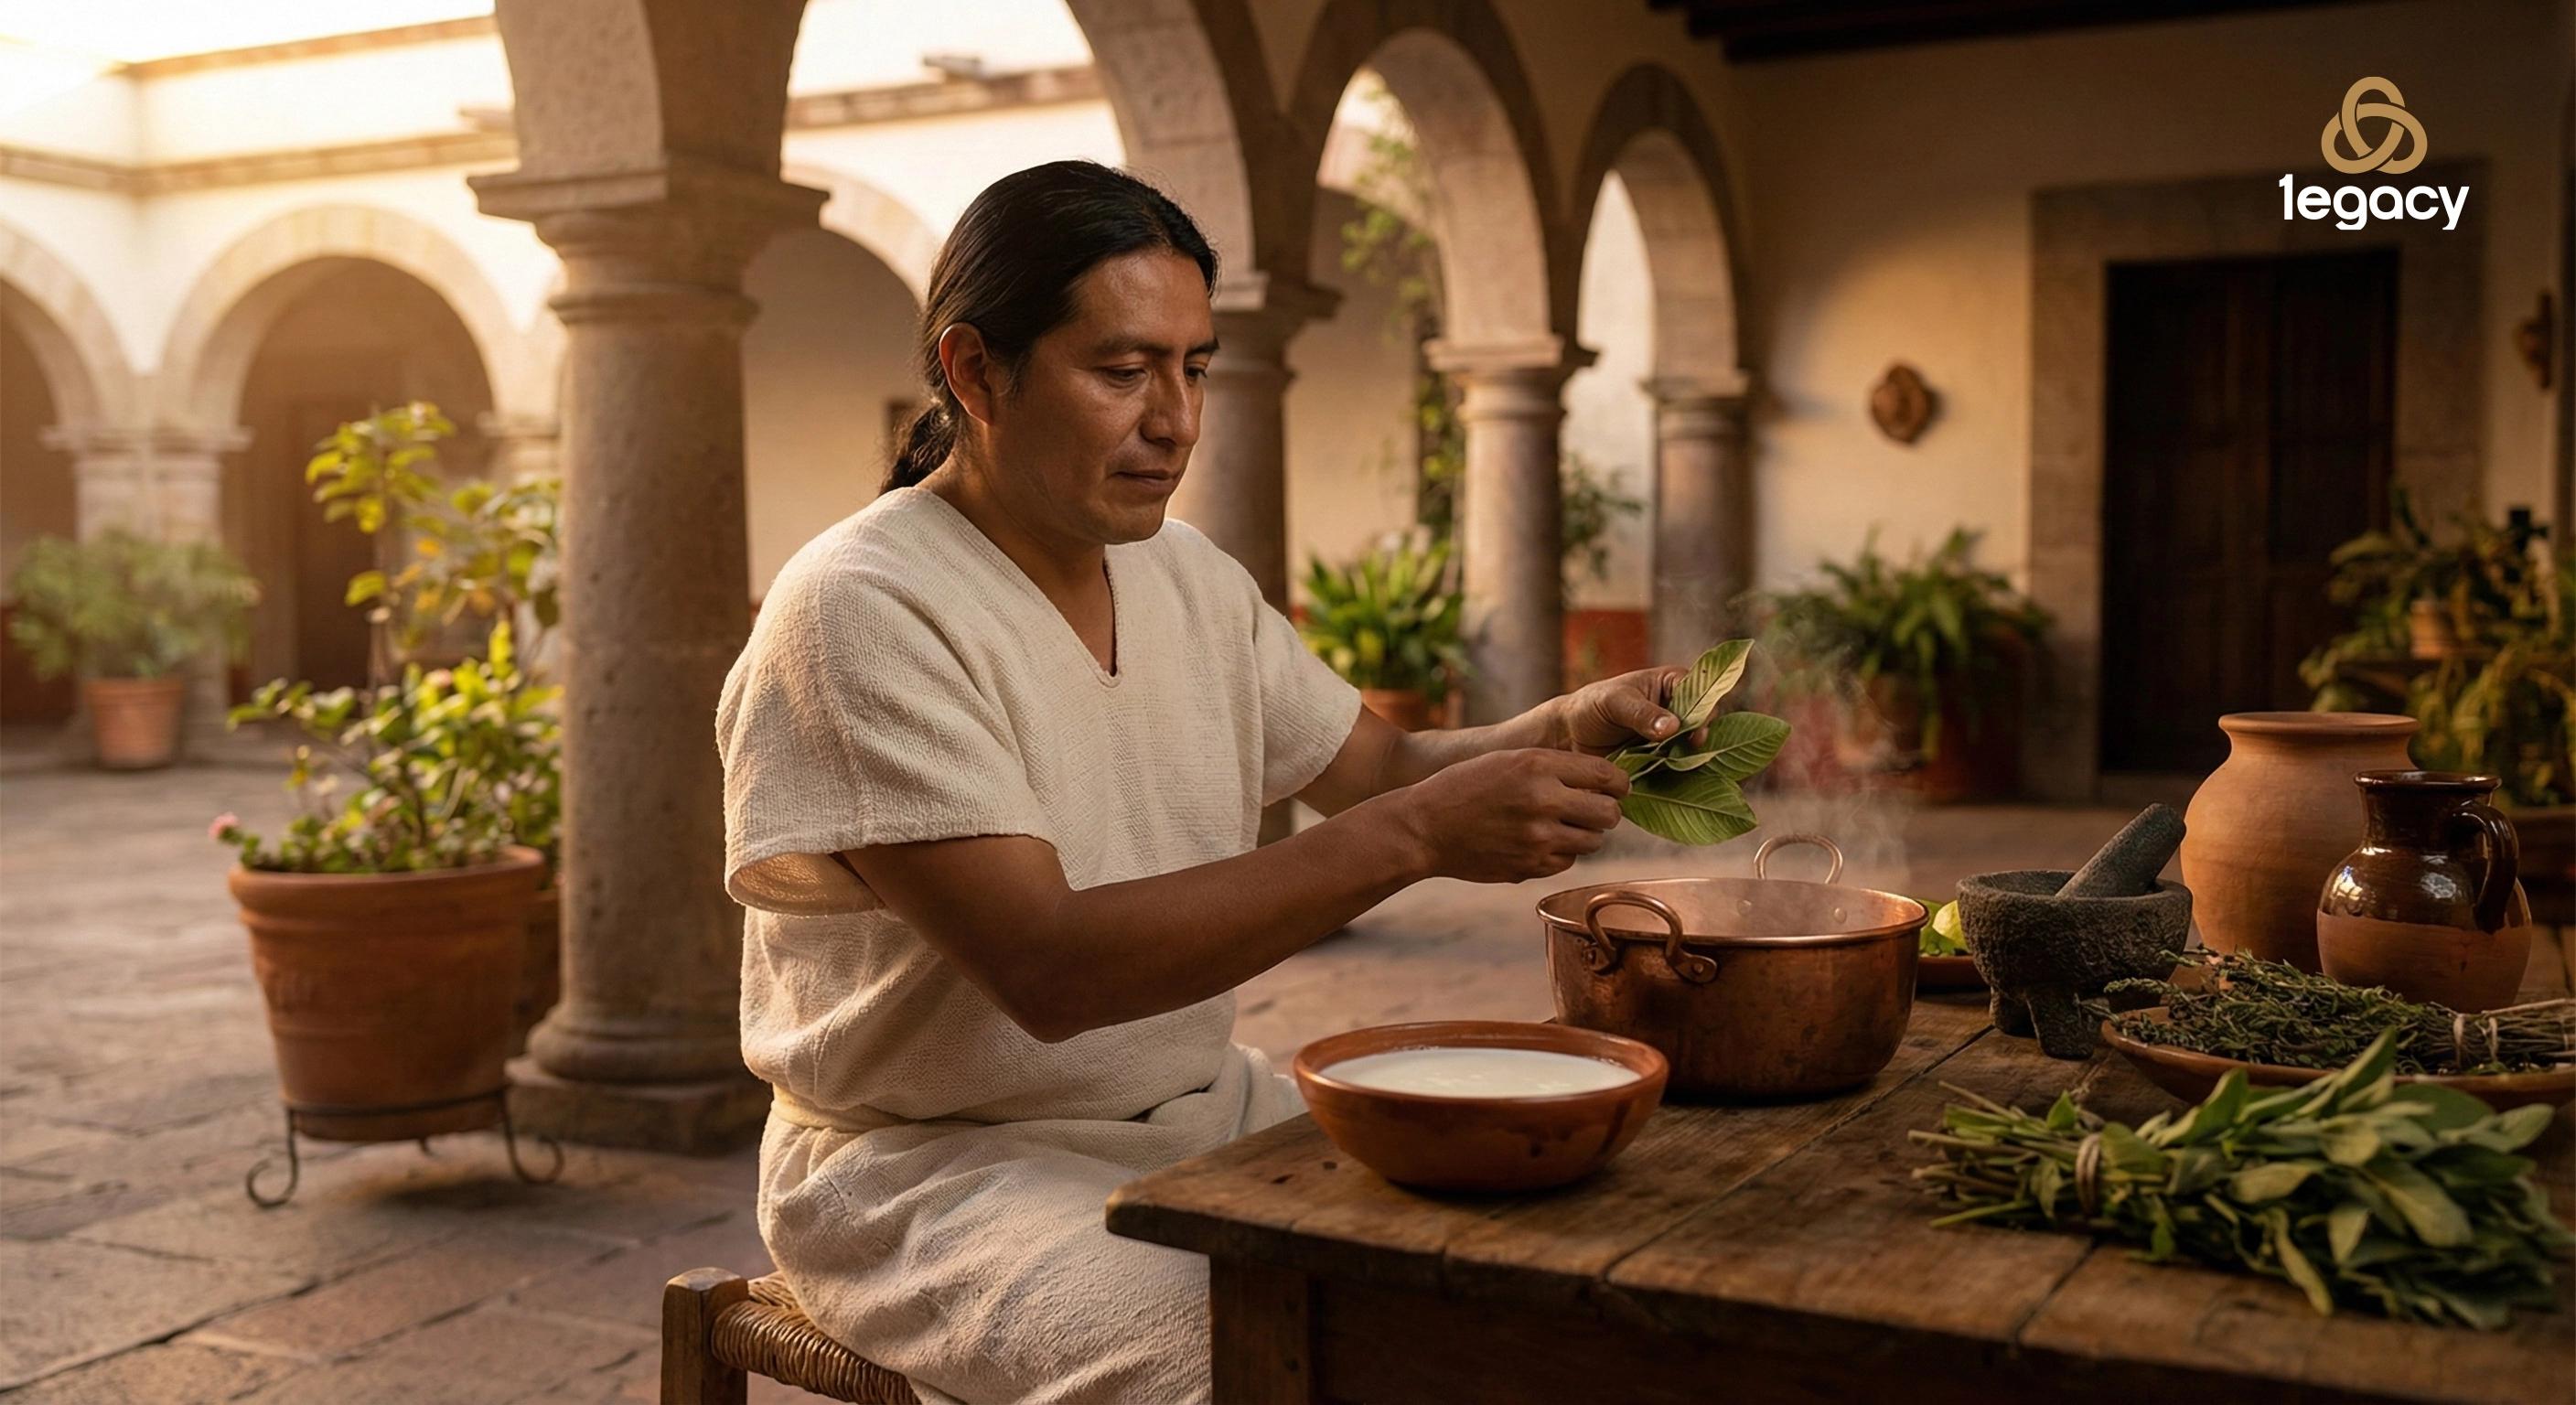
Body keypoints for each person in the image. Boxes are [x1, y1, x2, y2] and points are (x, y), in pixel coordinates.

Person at [716, 160, 1685, 1405]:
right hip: (930, 1175)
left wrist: (1561, 727)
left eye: (1197, 367)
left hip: (1203, 1113)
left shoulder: (1188, 576)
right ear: (972, 371)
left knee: (1533, 1277)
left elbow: (1381, 771)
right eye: (1122, 371)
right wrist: (1413, 838)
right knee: (1263, 1366)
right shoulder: (860, 611)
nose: (1175, 417)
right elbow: (1052, 971)